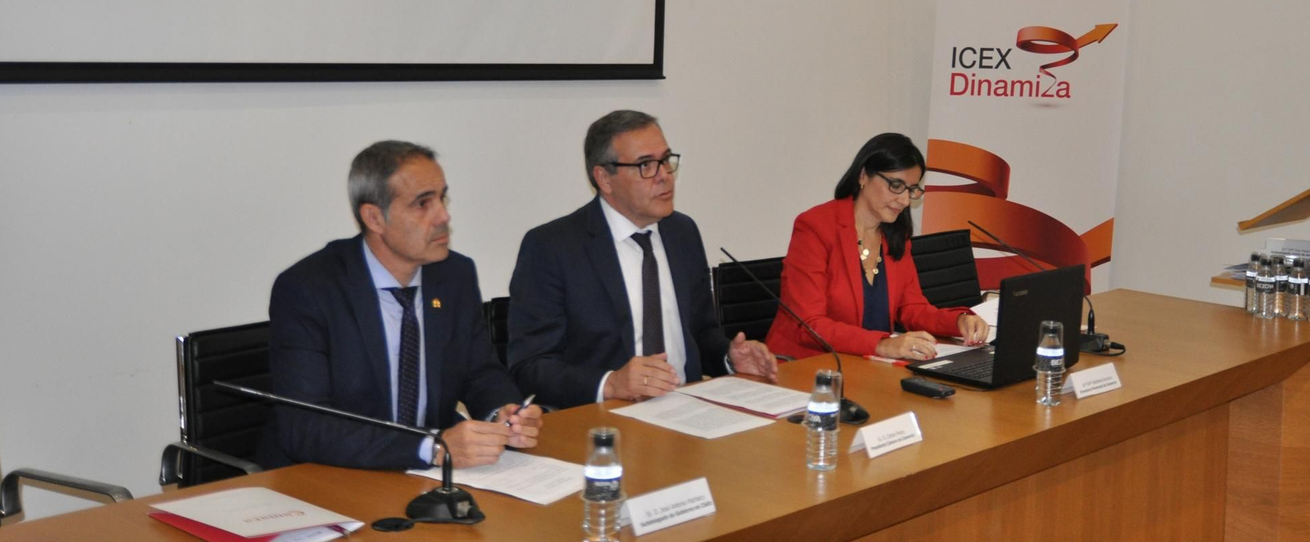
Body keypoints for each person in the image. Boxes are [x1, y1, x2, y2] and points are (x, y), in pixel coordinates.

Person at [258, 141, 542, 470]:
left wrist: (504, 414)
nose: (443, 216)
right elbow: (306, 427)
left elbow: (479, 372)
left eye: (442, 197)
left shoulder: (454, 274)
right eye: (423, 203)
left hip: (429, 479)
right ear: (374, 218)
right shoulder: (309, 289)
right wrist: (432, 447)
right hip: (330, 476)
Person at [507, 110, 778, 409]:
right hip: (603, 419)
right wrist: (610, 383)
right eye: (645, 165)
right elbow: (530, 367)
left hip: (689, 409)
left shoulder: (682, 232)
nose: (664, 175)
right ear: (604, 179)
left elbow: (700, 332)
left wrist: (729, 357)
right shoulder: (553, 247)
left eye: (665, 160)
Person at [766, 133, 990, 360]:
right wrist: (883, 344)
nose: (904, 201)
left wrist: (958, 320)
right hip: (805, 367)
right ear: (863, 175)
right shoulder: (816, 227)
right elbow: (809, 325)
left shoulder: (895, 234)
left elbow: (911, 307)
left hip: (867, 367)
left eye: (911, 189)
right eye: (896, 185)